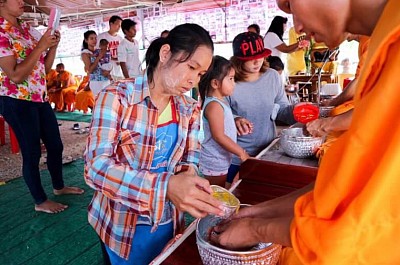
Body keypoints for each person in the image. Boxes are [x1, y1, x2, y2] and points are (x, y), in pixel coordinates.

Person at [211, 0, 400, 264]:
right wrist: (256, 213)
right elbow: (340, 186)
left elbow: (356, 229)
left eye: (289, 4)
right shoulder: (384, 41)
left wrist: (256, 229)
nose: (297, 26)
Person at [84, 23, 224, 265]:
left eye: (200, 74)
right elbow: (96, 168)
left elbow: (189, 160)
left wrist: (191, 185)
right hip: (121, 225)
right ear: (165, 53)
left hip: (168, 221)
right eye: (191, 67)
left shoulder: (189, 109)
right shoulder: (116, 97)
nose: (193, 80)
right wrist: (166, 187)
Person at [0, 0, 84, 214]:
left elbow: (43, 68)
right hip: (16, 100)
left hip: (39, 97)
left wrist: (52, 47)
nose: (23, 2)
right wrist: (41, 46)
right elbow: (16, 76)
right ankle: (40, 200)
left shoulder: (27, 29)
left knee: (55, 145)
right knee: (32, 151)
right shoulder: (1, 33)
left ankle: (58, 187)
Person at [226, 32, 296, 184]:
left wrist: (296, 111)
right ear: (238, 60)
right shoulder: (229, 81)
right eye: (250, 58)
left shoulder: (272, 76)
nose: (257, 61)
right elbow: (217, 113)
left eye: (260, 55)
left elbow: (282, 110)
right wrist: (235, 119)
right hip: (237, 157)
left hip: (267, 151)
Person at [198, 55, 249, 188]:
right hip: (214, 162)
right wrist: (241, 153)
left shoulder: (221, 101)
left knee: (221, 190)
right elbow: (219, 135)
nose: (234, 83)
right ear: (215, 83)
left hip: (221, 160)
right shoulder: (214, 106)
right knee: (215, 196)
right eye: (231, 79)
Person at [81, 30, 111, 96]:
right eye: (91, 38)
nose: (94, 40)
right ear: (86, 40)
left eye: (95, 38)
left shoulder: (99, 50)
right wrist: (98, 57)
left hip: (105, 80)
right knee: (100, 102)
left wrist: (108, 71)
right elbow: (90, 70)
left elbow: (108, 61)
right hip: (96, 82)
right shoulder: (85, 53)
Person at [97, 15, 123, 81]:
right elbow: (96, 53)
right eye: (118, 25)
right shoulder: (101, 37)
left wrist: (120, 60)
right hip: (106, 71)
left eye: (120, 25)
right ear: (111, 24)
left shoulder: (120, 39)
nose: (119, 27)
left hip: (118, 72)